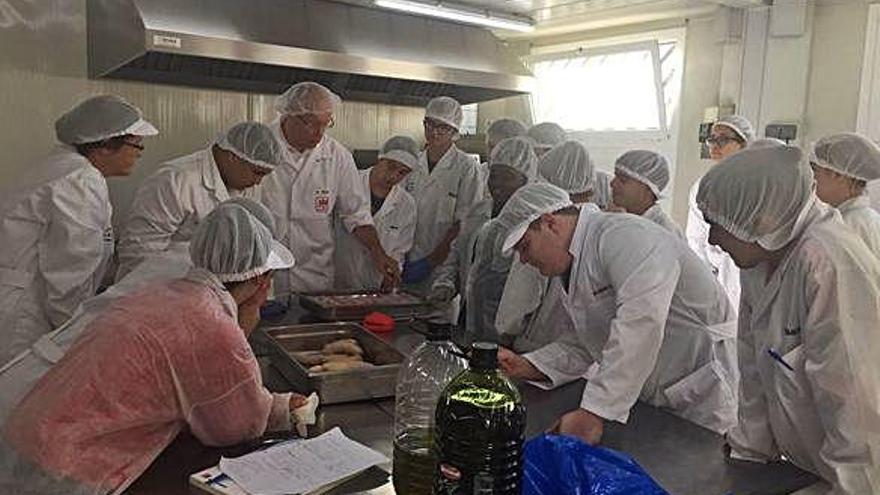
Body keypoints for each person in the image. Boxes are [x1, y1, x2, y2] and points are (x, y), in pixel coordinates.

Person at [0, 199, 311, 495]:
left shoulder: (167, 292)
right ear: (262, 278)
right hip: (67, 463)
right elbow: (234, 425)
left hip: (32, 431)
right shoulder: (210, 322)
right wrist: (282, 408)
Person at [696, 145, 880, 494]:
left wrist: (853, 487)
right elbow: (753, 365)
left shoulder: (829, 263)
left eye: (719, 227)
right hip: (808, 468)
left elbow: (855, 403)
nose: (712, 240)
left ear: (761, 219)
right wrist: (749, 451)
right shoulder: (761, 258)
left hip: (860, 475)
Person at [496, 183, 738, 444]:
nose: (523, 260)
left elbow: (641, 322)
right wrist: (531, 365)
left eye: (525, 246)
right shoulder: (579, 259)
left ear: (550, 223)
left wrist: (594, 411)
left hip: (697, 388)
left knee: (695, 472)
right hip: (656, 391)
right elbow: (591, 339)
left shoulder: (625, 237)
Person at [0, 95, 157, 365]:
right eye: (135, 144)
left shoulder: (64, 168)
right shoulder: (79, 181)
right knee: (21, 396)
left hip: (24, 305)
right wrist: (78, 338)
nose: (139, 152)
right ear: (104, 146)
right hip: (25, 316)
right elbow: (68, 277)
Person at [261, 82, 399, 300]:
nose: (319, 134)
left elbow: (356, 215)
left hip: (315, 279)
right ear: (290, 116)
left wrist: (378, 253)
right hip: (264, 277)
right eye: (312, 124)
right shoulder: (260, 145)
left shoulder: (338, 156)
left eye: (326, 125)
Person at [116, 121, 282, 279]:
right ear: (233, 157)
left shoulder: (246, 185)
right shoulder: (175, 180)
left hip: (208, 293)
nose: (259, 182)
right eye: (257, 173)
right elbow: (139, 252)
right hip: (157, 289)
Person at [429, 137, 538, 342]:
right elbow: (457, 252)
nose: (496, 184)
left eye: (507, 177)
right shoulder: (479, 211)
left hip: (505, 329)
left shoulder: (530, 224)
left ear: (525, 180)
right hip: (467, 317)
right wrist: (446, 283)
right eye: (494, 175)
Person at [495, 140, 595, 352]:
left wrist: (503, 339)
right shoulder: (593, 226)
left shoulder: (537, 229)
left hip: (538, 350)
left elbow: (517, 305)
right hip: (579, 359)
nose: (523, 257)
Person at [402, 96, 483, 303]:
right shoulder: (413, 163)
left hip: (444, 264)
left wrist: (432, 260)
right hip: (406, 259)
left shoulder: (466, 167)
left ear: (455, 132)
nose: (434, 131)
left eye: (443, 127)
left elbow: (464, 223)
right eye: (430, 124)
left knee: (436, 322)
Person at [686, 114, 755, 310]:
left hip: (751, 276)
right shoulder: (702, 186)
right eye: (711, 140)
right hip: (718, 279)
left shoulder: (756, 183)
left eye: (723, 139)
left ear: (744, 144)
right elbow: (696, 240)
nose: (715, 145)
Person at [334, 136, 418, 290]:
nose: (394, 176)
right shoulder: (349, 184)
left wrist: (393, 273)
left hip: (375, 286)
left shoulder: (406, 205)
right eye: (391, 167)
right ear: (380, 159)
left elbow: (400, 251)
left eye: (402, 172)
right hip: (338, 281)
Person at [810, 133, 880, 257]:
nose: (812, 178)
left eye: (815, 169)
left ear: (838, 175)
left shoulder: (844, 226)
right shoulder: (871, 219)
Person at [609, 150, 683, 238]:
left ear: (648, 188)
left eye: (623, 180)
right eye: (615, 177)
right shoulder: (615, 218)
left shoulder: (666, 233)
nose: (612, 183)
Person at [477, 118, 528, 197]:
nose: (492, 153)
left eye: (501, 149)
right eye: (490, 146)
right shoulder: (479, 173)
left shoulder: (527, 182)